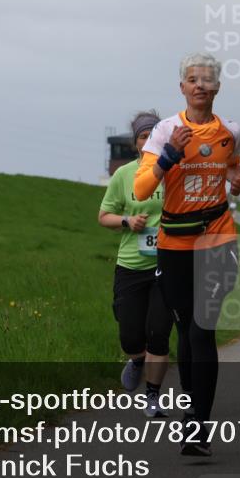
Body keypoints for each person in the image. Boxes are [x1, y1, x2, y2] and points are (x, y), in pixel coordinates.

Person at [133, 52, 240, 456]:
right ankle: (192, 400)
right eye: (192, 80)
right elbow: (142, 190)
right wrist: (169, 156)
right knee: (186, 330)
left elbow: (232, 165)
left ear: (218, 87)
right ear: (182, 87)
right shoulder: (166, 131)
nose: (200, 85)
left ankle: (198, 426)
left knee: (202, 329)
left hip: (217, 238)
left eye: (207, 80)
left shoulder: (230, 131)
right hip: (174, 244)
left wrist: (235, 181)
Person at [98, 111, 172, 418]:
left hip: (168, 264)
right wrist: (128, 220)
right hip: (131, 264)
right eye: (143, 136)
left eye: (154, 135)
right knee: (130, 335)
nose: (149, 140)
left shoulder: (175, 171)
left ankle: (153, 396)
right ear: (136, 143)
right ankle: (137, 360)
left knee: (158, 332)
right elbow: (104, 216)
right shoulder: (124, 175)